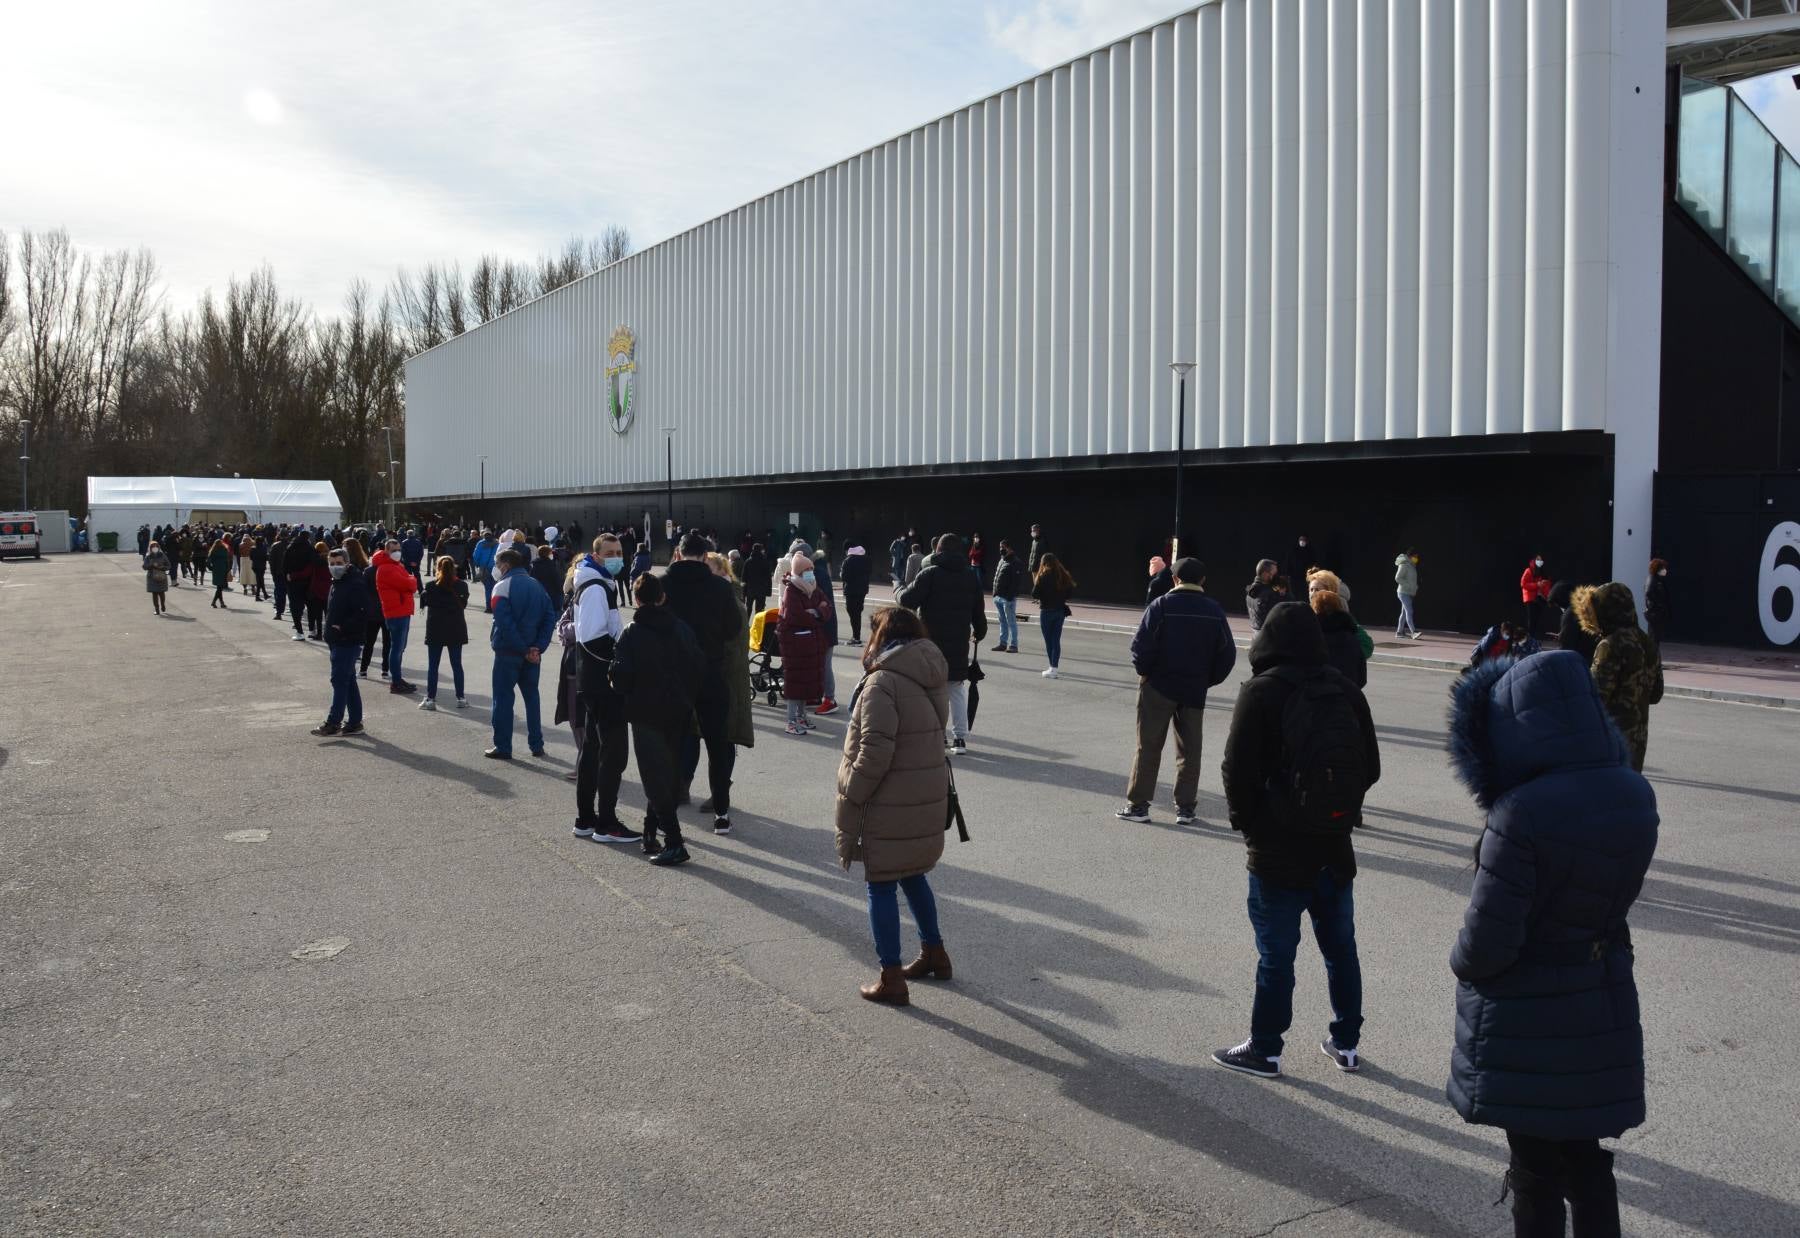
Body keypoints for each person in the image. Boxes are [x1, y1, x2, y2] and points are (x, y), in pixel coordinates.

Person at [1445, 651, 1658, 1237]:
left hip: (1530, 1013)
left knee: (1535, 1168)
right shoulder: (1633, 793)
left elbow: (1488, 941)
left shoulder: (1522, 812)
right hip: (1601, 992)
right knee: (1586, 1157)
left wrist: (1461, 961)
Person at [1215, 600, 1381, 1080]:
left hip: (1277, 850)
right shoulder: (1346, 690)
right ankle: (1346, 1043)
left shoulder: (1261, 691)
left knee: (1276, 956)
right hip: (1333, 846)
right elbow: (1368, 767)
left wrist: (1250, 826)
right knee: (1341, 949)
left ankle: (1266, 1050)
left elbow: (1237, 770)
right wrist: (1337, 813)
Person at [836, 605, 953, 1006]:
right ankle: (935, 953)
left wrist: (850, 790)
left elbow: (874, 752)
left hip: (890, 797)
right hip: (923, 790)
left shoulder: (882, 681)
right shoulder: (929, 668)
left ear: (880, 637)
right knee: (914, 873)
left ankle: (890, 975)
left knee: (881, 882)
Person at [1118, 558, 1236, 825]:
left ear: (1174, 579)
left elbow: (1140, 647)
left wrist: (1146, 672)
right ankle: (1185, 808)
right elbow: (1226, 654)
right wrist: (1208, 679)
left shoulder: (1160, 606)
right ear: (1203, 581)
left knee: (1147, 746)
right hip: (1194, 688)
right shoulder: (1214, 611)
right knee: (1190, 750)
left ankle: (1138, 806)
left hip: (1158, 686)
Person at [610, 573, 704, 865]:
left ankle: (674, 841)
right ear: (662, 597)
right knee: (667, 772)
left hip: (645, 711)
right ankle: (651, 830)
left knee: (654, 777)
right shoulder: (681, 629)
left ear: (636, 600)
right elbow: (698, 666)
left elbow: (620, 677)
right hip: (678, 709)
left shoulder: (631, 632)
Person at [663, 532, 746, 833]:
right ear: (705, 554)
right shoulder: (719, 588)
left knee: (672, 743)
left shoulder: (664, 584)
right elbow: (732, 628)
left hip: (674, 674)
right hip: (711, 671)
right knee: (717, 744)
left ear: (679, 553)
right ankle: (721, 814)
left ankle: (668, 810)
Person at [570, 535, 639, 843]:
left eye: (620, 552)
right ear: (596, 557)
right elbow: (593, 638)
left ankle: (586, 818)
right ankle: (606, 822)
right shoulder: (597, 587)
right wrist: (620, 655)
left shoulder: (596, 582)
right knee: (613, 753)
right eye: (610, 553)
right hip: (601, 681)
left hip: (590, 679)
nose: (617, 558)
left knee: (593, 750)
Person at [897, 535, 986, 753]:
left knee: (932, 690)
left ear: (938, 550)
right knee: (956, 689)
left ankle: (939, 736)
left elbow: (907, 600)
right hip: (958, 643)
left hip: (930, 642)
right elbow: (979, 613)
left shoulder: (930, 573)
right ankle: (960, 739)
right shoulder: (969, 576)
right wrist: (979, 632)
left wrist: (898, 588)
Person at [1576, 582, 1663, 773]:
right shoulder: (1647, 641)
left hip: (1610, 737)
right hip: (1638, 738)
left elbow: (1596, 697)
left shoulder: (1610, 644)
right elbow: (1656, 694)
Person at [486, 547, 557, 760]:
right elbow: (549, 617)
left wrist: (524, 649)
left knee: (503, 699)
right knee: (532, 698)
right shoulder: (537, 586)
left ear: (505, 565)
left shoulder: (501, 587)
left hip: (509, 652)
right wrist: (538, 647)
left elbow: (505, 624)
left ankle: (503, 746)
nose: (496, 569)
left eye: (498, 565)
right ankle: (537, 745)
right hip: (533, 653)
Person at [311, 547, 369, 738]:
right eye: (332, 563)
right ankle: (354, 722)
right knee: (348, 680)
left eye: (338, 563)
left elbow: (361, 613)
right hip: (336, 640)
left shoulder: (355, 582)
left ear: (347, 563)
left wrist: (342, 627)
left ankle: (333, 722)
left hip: (347, 640)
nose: (335, 567)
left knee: (339, 680)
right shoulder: (339, 581)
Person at [777, 553, 831, 736]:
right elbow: (796, 616)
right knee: (795, 683)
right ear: (799, 571)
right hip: (796, 644)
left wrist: (815, 612)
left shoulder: (814, 588)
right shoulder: (791, 590)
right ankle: (791, 721)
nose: (810, 573)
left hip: (811, 643)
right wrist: (817, 614)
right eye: (806, 570)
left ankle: (801, 716)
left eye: (811, 569)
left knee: (806, 683)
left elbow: (827, 607)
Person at [419, 555, 469, 710]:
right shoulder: (461, 586)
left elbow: (424, 602)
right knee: (457, 664)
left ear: (438, 568)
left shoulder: (430, 586)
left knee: (433, 665)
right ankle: (461, 698)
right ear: (453, 568)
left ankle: (431, 698)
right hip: (456, 627)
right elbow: (464, 604)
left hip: (436, 627)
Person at [372, 539, 418, 694]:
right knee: (397, 648)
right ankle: (396, 681)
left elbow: (409, 583)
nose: (397, 552)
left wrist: (410, 580)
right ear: (386, 552)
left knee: (399, 648)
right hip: (396, 612)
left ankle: (397, 679)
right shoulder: (386, 569)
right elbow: (410, 584)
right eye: (393, 550)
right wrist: (411, 580)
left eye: (398, 549)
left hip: (401, 610)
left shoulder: (396, 566)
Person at [1030, 552, 1075, 680]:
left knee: (1048, 641)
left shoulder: (1043, 576)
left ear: (1044, 563)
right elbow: (1070, 593)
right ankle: (1054, 667)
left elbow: (1034, 594)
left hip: (1046, 611)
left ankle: (1052, 668)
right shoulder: (1062, 575)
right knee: (1056, 640)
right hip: (1060, 611)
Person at [1311, 589, 1368, 688]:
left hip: (1319, 696)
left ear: (1315, 608)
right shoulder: (1352, 637)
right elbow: (1362, 678)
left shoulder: (1312, 639)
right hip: (1347, 696)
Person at [1550, 582, 1598, 665]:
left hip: (1582, 660)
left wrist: (1562, 636)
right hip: (1598, 654)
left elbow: (1567, 644)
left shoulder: (1571, 612)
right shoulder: (1592, 603)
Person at [990, 540, 1024, 653]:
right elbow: (997, 576)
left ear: (1010, 548)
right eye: (1000, 546)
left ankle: (1014, 645)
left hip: (1007, 598)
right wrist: (995, 593)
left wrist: (1010, 597)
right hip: (998, 597)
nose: (1001, 549)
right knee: (1002, 621)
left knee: (1011, 621)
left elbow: (1016, 582)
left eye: (1003, 547)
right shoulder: (1002, 560)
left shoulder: (1015, 562)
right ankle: (1002, 643)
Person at [839, 542, 872, 644]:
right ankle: (856, 636)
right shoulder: (866, 560)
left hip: (851, 590)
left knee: (852, 613)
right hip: (862, 590)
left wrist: (841, 573)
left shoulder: (848, 560)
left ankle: (856, 637)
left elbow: (844, 577)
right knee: (858, 613)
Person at [1521, 554, 1553, 640]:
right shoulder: (1528, 570)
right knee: (1532, 619)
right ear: (1534, 560)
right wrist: (1537, 585)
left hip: (1540, 598)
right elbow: (1523, 584)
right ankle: (1529, 638)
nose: (1540, 561)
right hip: (1531, 598)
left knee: (1537, 619)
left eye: (1541, 560)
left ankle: (1534, 638)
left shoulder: (1543, 572)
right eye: (1538, 559)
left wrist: (1549, 599)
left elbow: (1547, 587)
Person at [1394, 548, 1421, 640]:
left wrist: (1414, 587)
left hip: (1409, 593)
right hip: (1403, 592)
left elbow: (1412, 580)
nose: (1416, 558)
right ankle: (1413, 631)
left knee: (1404, 613)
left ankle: (1399, 632)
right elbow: (1397, 578)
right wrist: (1408, 586)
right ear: (1410, 556)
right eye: (1415, 556)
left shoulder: (1412, 566)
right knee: (1409, 611)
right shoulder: (1404, 565)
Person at [1246, 559, 1279, 632]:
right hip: (1267, 636)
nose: (1276, 576)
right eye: (1274, 573)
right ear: (1265, 574)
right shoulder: (1266, 593)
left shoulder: (1251, 589)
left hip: (1257, 634)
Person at [1643, 558, 1670, 648]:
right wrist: (1657, 605)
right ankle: (1653, 659)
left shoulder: (1658, 580)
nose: (1664, 570)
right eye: (1662, 568)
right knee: (1654, 637)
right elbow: (1649, 593)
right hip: (1654, 613)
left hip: (1657, 613)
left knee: (1655, 637)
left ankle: (1654, 658)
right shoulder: (1652, 579)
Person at [742, 542, 773, 617]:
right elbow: (769, 578)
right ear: (761, 550)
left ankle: (746, 625)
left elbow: (744, 577)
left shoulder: (748, 561)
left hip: (750, 589)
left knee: (748, 608)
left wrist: (744, 591)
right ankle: (758, 626)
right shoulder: (765, 562)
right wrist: (768, 591)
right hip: (761, 589)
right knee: (759, 610)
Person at [471, 529, 499, 609]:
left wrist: (477, 564)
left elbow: (476, 555)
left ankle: (488, 606)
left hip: (484, 568)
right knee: (494, 587)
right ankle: (494, 605)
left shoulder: (481, 543)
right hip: (494, 568)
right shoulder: (497, 543)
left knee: (487, 587)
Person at [143, 541, 172, 615]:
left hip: (161, 576)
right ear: (150, 548)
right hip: (152, 577)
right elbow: (144, 566)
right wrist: (151, 565)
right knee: (154, 593)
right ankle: (157, 609)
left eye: (156, 546)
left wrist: (163, 567)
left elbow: (169, 565)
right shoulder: (148, 556)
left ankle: (162, 604)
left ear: (158, 547)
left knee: (161, 592)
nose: (155, 548)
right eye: (153, 546)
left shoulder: (162, 555)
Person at [207, 537, 233, 608]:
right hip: (223, 569)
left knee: (219, 587)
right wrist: (228, 569)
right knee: (220, 587)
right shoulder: (224, 550)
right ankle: (215, 602)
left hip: (216, 569)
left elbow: (208, 562)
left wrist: (211, 568)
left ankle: (221, 603)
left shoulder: (213, 551)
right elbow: (227, 561)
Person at [269, 533, 287, 616]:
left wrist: (273, 573)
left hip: (278, 573)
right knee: (289, 593)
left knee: (279, 592)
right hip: (289, 573)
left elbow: (271, 561)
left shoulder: (275, 546)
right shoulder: (290, 546)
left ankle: (279, 611)